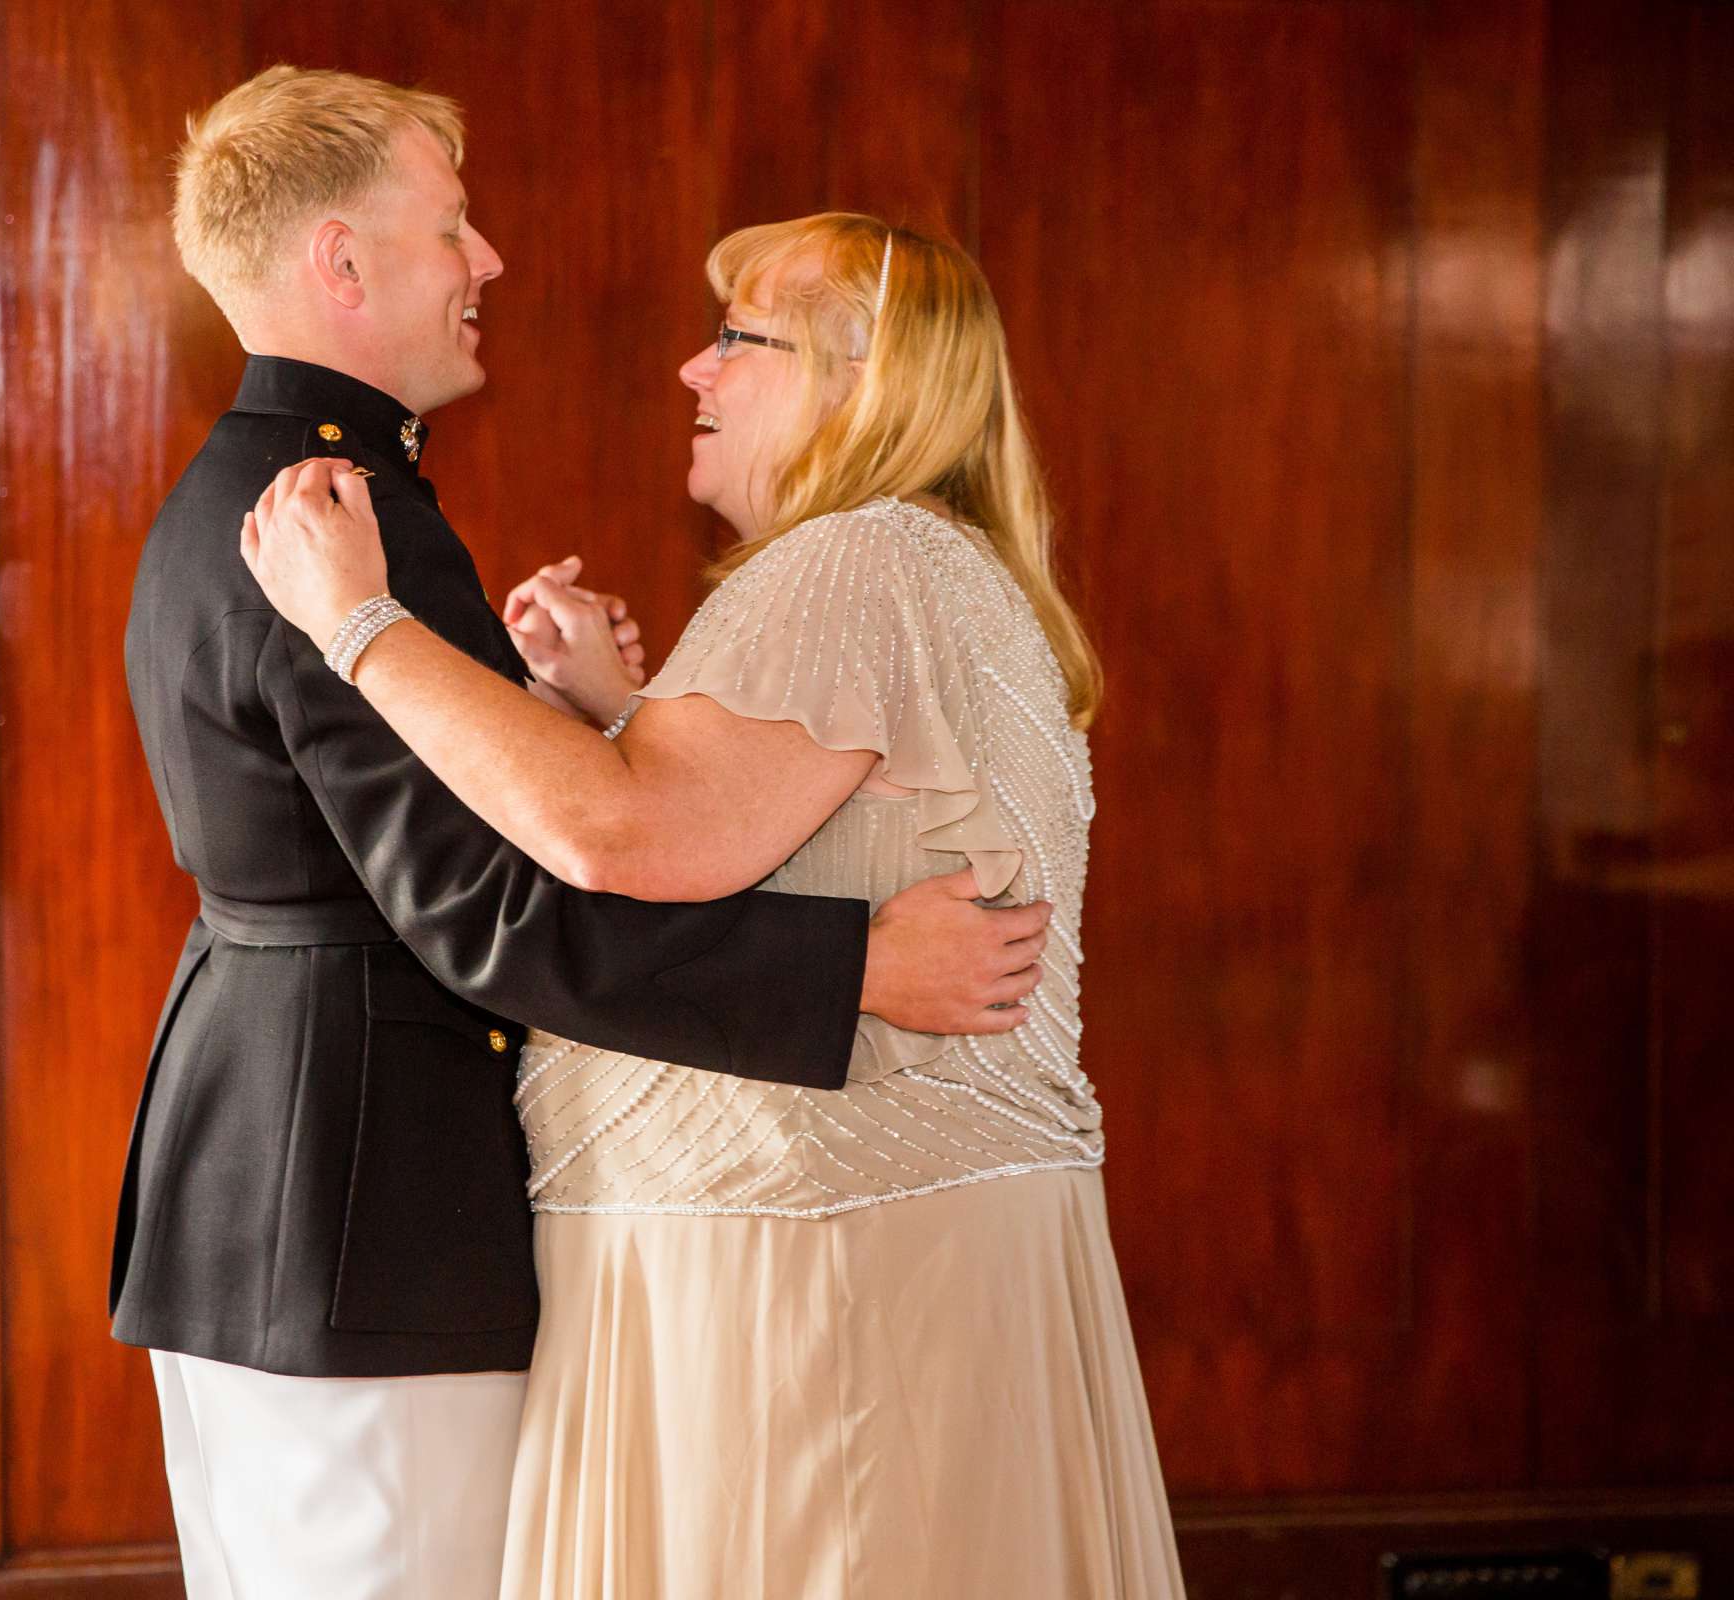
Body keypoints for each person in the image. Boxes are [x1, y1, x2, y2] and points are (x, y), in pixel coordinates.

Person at [115, 71, 1053, 1600]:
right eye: (451, 226)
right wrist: (855, 971)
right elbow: (488, 910)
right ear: (340, 263)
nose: (487, 260)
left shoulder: (270, 486)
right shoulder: (343, 520)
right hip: (363, 1211)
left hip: (288, 1182)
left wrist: (588, 714)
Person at [244, 212, 1187, 1597]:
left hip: (814, 1293)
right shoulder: (918, 563)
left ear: (862, 380)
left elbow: (620, 834)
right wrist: (621, 713)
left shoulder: (853, 563)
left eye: (741, 338)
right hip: (863, 1265)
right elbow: (808, 826)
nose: (694, 369)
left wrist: (359, 624)